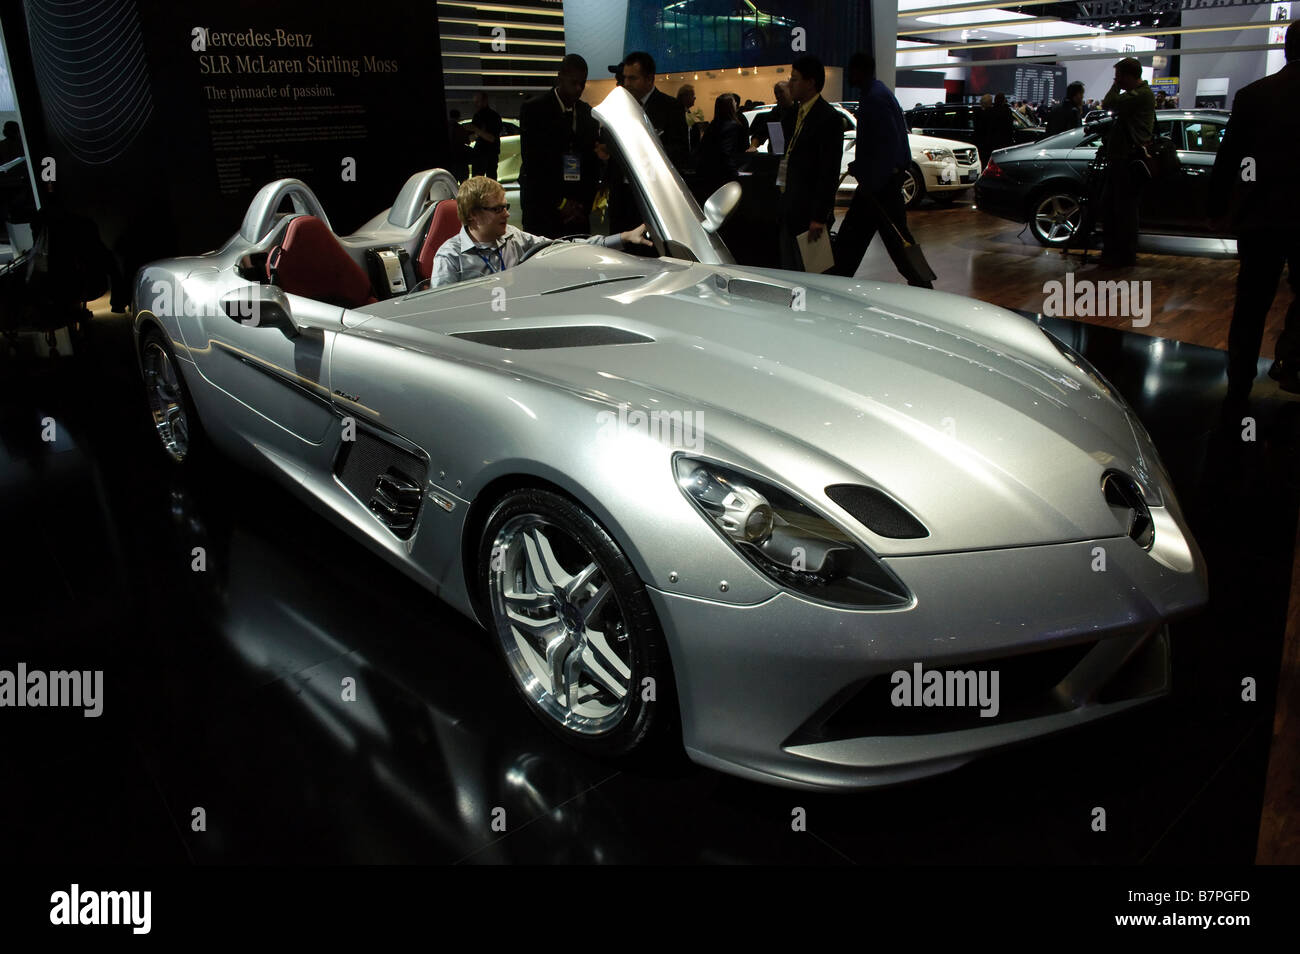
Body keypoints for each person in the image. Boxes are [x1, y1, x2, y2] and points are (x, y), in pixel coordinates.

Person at [1208, 21, 1300, 395]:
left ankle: (1240, 378)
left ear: (1285, 49)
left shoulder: (1253, 95)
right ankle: (1290, 361)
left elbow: (1229, 159)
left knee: (1251, 304)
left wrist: (1216, 207)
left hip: (1261, 218)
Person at [430, 177, 650, 287]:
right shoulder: (449, 257)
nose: (506, 215)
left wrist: (623, 238)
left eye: (506, 207)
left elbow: (565, 248)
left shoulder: (514, 237)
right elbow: (438, 315)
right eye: (497, 209)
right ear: (472, 216)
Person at [831, 53, 933, 288]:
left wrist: (869, 174)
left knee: (876, 240)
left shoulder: (873, 99)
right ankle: (923, 285)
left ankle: (835, 285)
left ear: (858, 71)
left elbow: (884, 144)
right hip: (881, 186)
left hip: (877, 189)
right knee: (891, 240)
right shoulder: (880, 93)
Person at [519, 54, 601, 237]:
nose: (579, 89)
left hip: (578, 211)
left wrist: (582, 206)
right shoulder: (534, 109)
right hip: (543, 209)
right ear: (560, 78)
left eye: (583, 83)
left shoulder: (588, 113)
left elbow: (591, 164)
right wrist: (561, 204)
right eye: (574, 83)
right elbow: (533, 164)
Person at [775, 54, 843, 271]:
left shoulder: (828, 118)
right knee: (789, 269)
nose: (790, 84)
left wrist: (819, 216)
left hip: (809, 211)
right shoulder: (794, 113)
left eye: (794, 79)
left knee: (811, 272)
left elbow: (829, 171)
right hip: (789, 204)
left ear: (811, 82)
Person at [1097, 57, 1154, 267]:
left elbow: (1109, 103)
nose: (1117, 80)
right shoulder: (1137, 95)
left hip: (1128, 161)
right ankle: (1112, 253)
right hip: (1121, 160)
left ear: (1129, 76)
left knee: (1125, 211)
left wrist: (1114, 86)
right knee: (1112, 208)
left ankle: (1124, 255)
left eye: (1119, 76)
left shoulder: (1141, 95)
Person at [621, 51, 690, 170]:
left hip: (656, 179)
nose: (626, 83)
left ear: (649, 79)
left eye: (632, 78)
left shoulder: (671, 107)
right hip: (625, 184)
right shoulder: (622, 107)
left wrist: (644, 151)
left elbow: (680, 151)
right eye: (625, 78)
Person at [692, 93, 748, 200]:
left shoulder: (712, 125)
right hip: (724, 176)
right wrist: (734, 173)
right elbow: (725, 152)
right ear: (730, 107)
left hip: (707, 174)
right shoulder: (732, 125)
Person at [467, 91, 503, 181]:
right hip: (481, 154)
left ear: (485, 101)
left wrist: (476, 130)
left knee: (487, 181)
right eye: (475, 102)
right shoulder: (477, 116)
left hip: (489, 153)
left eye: (478, 102)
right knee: (483, 181)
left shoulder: (493, 117)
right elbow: (474, 136)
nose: (476, 105)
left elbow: (492, 138)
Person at [750, 80, 793, 150]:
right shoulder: (774, 113)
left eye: (781, 92)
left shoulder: (799, 110)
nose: (778, 96)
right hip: (775, 156)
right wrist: (753, 147)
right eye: (776, 93)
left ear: (791, 91)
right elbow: (760, 134)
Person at [445, 109, 470, 181]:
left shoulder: (446, 127)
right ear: (458, 117)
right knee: (463, 180)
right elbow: (467, 141)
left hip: (450, 159)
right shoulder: (460, 128)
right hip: (460, 157)